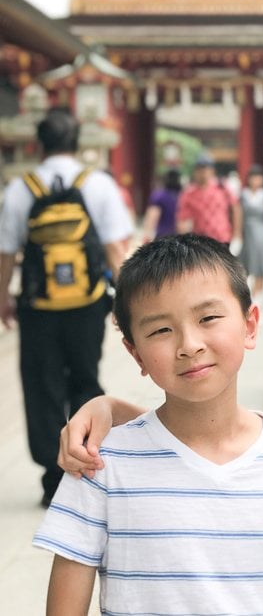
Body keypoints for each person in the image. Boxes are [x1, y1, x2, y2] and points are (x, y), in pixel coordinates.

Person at [37, 234, 263, 615]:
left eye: (208, 317)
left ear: (250, 325)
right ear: (136, 353)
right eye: (161, 330)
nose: (189, 344)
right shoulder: (101, 463)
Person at [0, 107, 133, 506]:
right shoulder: (98, 184)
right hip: (89, 302)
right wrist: (127, 300)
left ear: (39, 144)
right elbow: (115, 248)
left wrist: (3, 294)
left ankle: (52, 475)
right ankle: (89, 460)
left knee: (41, 384)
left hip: (38, 304)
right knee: (85, 378)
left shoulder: (20, 188)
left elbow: (6, 251)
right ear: (78, 142)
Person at [176, 151, 242, 253]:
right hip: (201, 242)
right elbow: (182, 220)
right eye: (199, 169)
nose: (203, 173)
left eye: (206, 168)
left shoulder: (222, 187)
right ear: (195, 171)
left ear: (212, 170)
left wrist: (237, 234)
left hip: (223, 238)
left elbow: (236, 208)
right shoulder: (188, 194)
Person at [240, 163, 263, 300]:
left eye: (258, 177)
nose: (256, 180)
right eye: (253, 177)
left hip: (262, 231)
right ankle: (246, 293)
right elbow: (238, 214)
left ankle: (258, 293)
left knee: (261, 261)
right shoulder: (243, 194)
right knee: (245, 261)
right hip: (246, 231)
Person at [140, 168, 182, 242]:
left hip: (163, 237)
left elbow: (152, 216)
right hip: (179, 238)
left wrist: (147, 234)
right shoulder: (183, 195)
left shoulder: (159, 195)